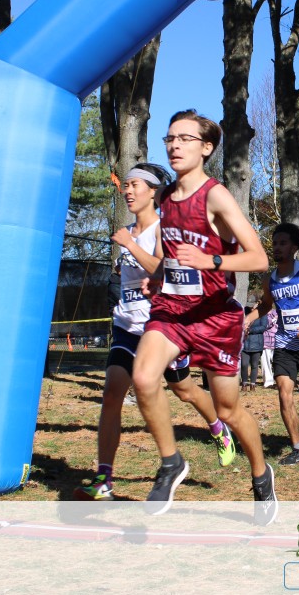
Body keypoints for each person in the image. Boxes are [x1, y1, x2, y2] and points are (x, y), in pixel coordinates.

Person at [131, 109, 276, 523]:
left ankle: (261, 475)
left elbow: (258, 258)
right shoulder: (164, 198)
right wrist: (159, 278)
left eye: (185, 139)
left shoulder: (216, 196)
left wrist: (212, 260)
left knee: (227, 410)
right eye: (170, 138)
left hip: (215, 317)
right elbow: (171, 255)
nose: (174, 145)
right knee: (144, 377)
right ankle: (171, 461)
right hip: (173, 312)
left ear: (206, 148)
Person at [74, 163, 236, 502]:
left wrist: (131, 247)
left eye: (135, 185)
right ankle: (104, 478)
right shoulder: (126, 231)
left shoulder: (164, 230)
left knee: (185, 390)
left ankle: (217, 428)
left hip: (161, 327)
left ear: (152, 191)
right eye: (126, 185)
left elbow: (162, 270)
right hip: (127, 326)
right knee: (112, 393)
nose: (128, 191)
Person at [245, 223, 299, 466]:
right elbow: (266, 305)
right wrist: (247, 320)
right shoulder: (269, 279)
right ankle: (297, 449)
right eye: (275, 243)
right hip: (284, 345)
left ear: (295, 247)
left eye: (283, 243)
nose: (277, 247)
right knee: (284, 394)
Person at [241, 304, 267, 391]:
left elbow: (263, 327)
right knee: (244, 364)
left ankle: (253, 384)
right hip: (244, 343)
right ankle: (244, 383)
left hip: (257, 343)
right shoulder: (244, 313)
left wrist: (250, 330)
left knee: (254, 365)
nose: (252, 307)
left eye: (253, 305)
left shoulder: (262, 313)